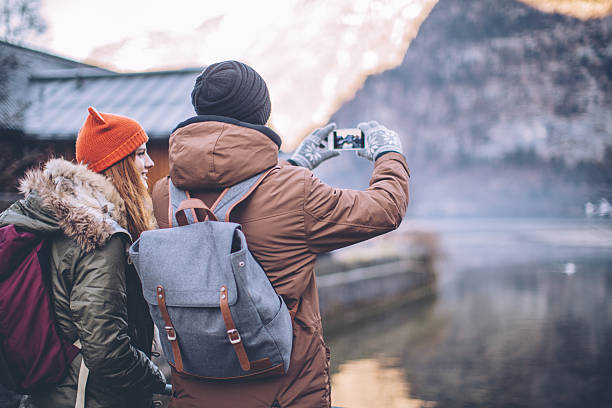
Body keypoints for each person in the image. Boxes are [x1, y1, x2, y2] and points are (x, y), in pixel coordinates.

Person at [151, 60, 410, 408]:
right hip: (284, 393)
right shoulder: (295, 191)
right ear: (261, 114)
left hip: (196, 393)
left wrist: (295, 164)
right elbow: (385, 208)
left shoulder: (165, 195)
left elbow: (246, 194)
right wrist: (388, 152)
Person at [0, 107, 167, 408]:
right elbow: (106, 349)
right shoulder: (98, 235)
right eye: (140, 153)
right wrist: (155, 379)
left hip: (50, 392)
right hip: (88, 396)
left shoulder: (52, 216)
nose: (150, 162)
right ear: (116, 164)